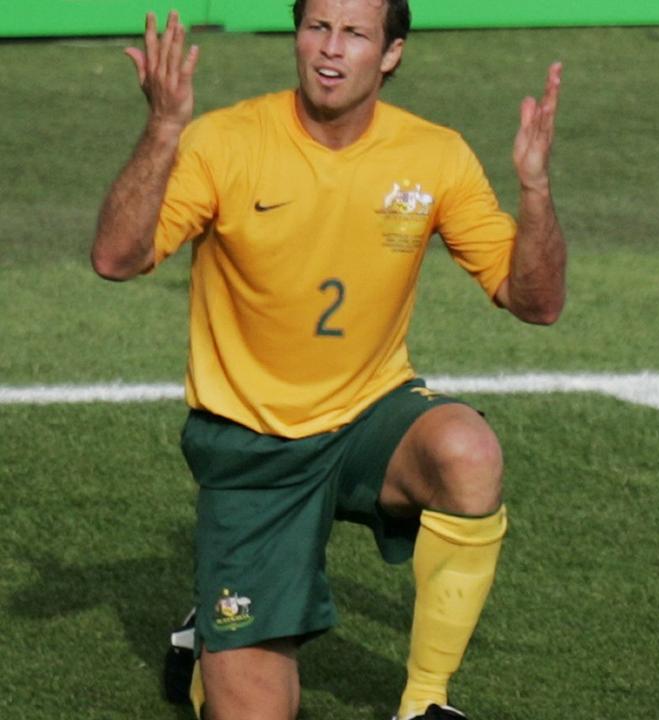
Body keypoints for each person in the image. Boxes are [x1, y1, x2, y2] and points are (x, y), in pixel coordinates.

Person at [90, 1, 566, 718]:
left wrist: (534, 191)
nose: (330, 50)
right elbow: (116, 258)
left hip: (367, 417)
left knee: (467, 451)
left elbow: (537, 303)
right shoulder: (224, 141)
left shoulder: (433, 155)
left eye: (354, 33)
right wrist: (163, 128)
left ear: (393, 52)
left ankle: (425, 703)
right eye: (317, 27)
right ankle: (211, 650)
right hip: (251, 444)